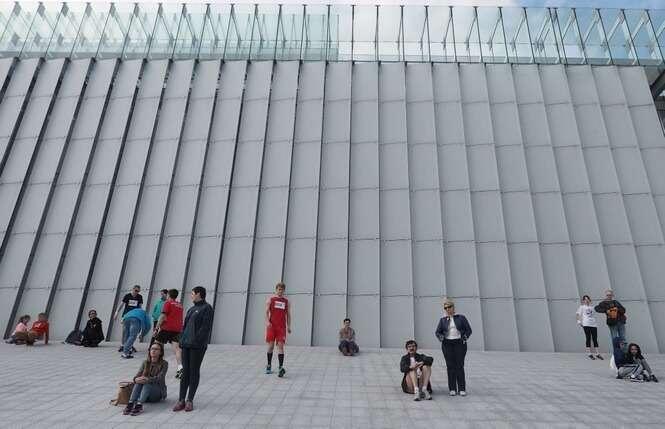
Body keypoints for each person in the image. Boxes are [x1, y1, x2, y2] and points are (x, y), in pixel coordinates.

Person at [173, 286, 213, 413]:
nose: (191, 296)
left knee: (194, 371)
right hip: (186, 344)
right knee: (184, 372)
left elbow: (205, 328)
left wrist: (196, 340)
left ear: (199, 294)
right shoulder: (191, 309)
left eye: (192, 293)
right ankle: (181, 400)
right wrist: (182, 340)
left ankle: (190, 400)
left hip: (197, 346)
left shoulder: (207, 308)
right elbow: (185, 327)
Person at [435, 299, 472, 397]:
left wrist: (465, 337)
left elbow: (469, 330)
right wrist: (441, 337)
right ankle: (452, 389)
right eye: (445, 308)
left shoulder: (461, 318)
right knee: (450, 366)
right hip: (447, 344)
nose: (447, 309)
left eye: (449, 307)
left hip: (459, 343)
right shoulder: (443, 320)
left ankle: (462, 389)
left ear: (453, 307)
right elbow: (437, 332)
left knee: (459, 365)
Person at [123, 342, 169, 416]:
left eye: (156, 349)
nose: (153, 351)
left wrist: (147, 379)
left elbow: (160, 378)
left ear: (160, 352)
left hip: (157, 393)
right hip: (144, 394)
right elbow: (137, 375)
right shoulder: (145, 362)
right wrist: (135, 379)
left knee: (147, 383)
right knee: (139, 381)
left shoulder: (164, 363)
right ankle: (130, 403)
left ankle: (139, 405)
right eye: (152, 349)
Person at [154, 289, 184, 378]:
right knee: (177, 349)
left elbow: (163, 316)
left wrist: (156, 328)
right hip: (177, 329)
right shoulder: (180, 305)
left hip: (166, 328)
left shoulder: (168, 303)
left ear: (169, 295)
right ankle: (180, 368)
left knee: (157, 346)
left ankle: (157, 368)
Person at [265, 282, 291, 377]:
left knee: (281, 346)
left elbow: (288, 315)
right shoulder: (270, 300)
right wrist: (267, 322)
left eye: (282, 290)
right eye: (279, 289)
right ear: (276, 290)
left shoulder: (286, 301)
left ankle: (280, 368)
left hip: (281, 328)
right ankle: (269, 365)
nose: (280, 291)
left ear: (284, 291)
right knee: (271, 346)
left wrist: (289, 326)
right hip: (272, 327)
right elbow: (266, 312)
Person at [114, 285, 144, 352]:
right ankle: (123, 345)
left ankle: (130, 345)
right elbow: (121, 304)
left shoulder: (139, 297)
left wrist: (141, 315)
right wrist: (116, 312)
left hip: (135, 316)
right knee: (125, 331)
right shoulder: (127, 296)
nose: (137, 292)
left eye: (138, 291)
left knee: (132, 332)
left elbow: (140, 307)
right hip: (126, 315)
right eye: (136, 290)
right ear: (132, 289)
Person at [576, 295, 602, 360]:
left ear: (589, 300)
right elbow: (578, 314)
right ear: (583, 301)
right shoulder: (582, 307)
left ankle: (597, 353)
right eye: (585, 299)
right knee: (588, 338)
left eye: (587, 299)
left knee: (595, 338)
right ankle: (589, 353)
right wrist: (579, 321)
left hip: (593, 324)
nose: (586, 300)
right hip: (586, 324)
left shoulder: (592, 307)